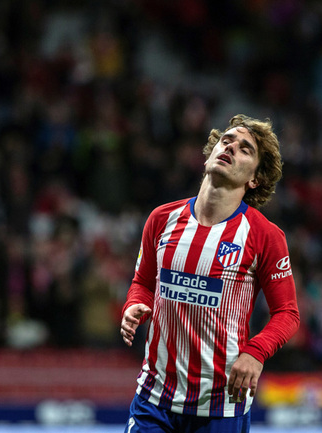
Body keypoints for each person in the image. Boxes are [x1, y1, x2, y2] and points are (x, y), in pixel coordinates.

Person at [120, 114, 300, 432]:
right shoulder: (162, 219)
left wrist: (256, 353)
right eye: (226, 140)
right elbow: (143, 283)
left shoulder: (265, 236)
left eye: (245, 148)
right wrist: (135, 303)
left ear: (255, 179)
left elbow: (287, 314)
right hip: (154, 400)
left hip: (220, 407)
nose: (230, 147)